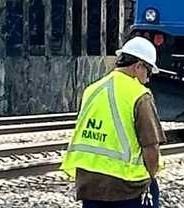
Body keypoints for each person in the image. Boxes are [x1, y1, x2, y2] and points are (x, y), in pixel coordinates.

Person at [61, 37, 166, 207]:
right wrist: (152, 176)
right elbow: (151, 147)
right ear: (138, 66)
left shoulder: (92, 90)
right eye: (148, 72)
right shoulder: (139, 95)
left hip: (89, 183)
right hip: (124, 187)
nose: (147, 79)